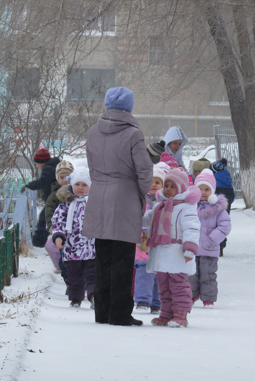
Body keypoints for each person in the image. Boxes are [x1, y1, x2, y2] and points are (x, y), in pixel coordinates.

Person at [83, 86, 153, 326]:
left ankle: (101, 313)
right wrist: (139, 193)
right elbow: (144, 170)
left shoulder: (93, 131)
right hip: (124, 198)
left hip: (99, 196)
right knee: (122, 259)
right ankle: (120, 313)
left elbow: (92, 166)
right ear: (129, 106)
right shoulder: (133, 134)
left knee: (102, 258)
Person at [143, 167, 201, 328]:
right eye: (166, 186)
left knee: (178, 286)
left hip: (177, 252)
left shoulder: (186, 208)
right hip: (161, 253)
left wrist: (190, 249)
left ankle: (181, 315)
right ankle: (166, 313)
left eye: (172, 186)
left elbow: (192, 229)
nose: (168, 190)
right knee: (164, 286)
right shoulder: (159, 206)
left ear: (181, 188)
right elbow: (147, 219)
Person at [52, 166, 96, 308]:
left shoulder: (95, 203)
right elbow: (58, 221)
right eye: (77, 184)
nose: (80, 188)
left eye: (84, 185)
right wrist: (59, 236)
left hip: (92, 247)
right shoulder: (66, 204)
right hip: (72, 247)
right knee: (74, 275)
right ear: (72, 185)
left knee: (93, 275)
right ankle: (76, 298)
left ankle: (94, 296)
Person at [189, 169, 231, 308]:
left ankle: (208, 299)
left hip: (209, 248)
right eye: (200, 189)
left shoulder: (218, 209)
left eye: (207, 189)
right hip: (192, 248)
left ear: (212, 191)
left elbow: (225, 226)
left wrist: (212, 238)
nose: (203, 192)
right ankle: (191, 295)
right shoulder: (191, 207)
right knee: (191, 275)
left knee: (208, 275)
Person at [134, 163, 169, 314]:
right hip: (142, 243)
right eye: (150, 182)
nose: (153, 185)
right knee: (144, 270)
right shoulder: (140, 201)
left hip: (159, 243)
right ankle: (142, 300)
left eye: (157, 182)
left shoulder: (165, 203)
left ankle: (157, 302)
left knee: (159, 273)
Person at [21, 148, 60, 247]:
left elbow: (43, 182)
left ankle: (38, 243)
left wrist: (29, 185)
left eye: (37, 163)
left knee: (43, 220)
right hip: (56, 199)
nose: (36, 165)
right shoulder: (53, 167)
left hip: (54, 200)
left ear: (41, 162)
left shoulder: (48, 168)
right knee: (48, 219)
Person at [44, 160, 74, 280]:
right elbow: (49, 210)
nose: (65, 180)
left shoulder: (77, 190)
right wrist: (51, 225)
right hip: (59, 227)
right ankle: (61, 267)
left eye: (68, 176)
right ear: (57, 178)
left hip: (75, 228)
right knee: (54, 247)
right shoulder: (54, 195)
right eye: (61, 177)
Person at [210, 158, 235, 256]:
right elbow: (233, 196)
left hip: (214, 209)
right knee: (222, 225)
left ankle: (214, 246)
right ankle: (221, 246)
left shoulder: (213, 181)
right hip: (226, 209)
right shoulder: (228, 181)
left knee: (213, 225)